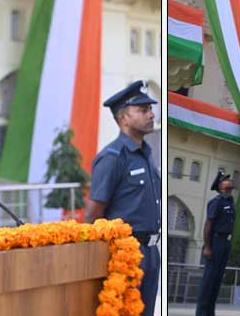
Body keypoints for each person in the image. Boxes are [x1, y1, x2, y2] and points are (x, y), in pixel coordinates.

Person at [85, 80, 161, 316]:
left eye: (150, 109)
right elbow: (93, 214)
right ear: (124, 118)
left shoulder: (146, 155)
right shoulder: (113, 157)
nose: (151, 114)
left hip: (150, 252)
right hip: (124, 253)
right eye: (143, 110)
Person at [195, 171, 236, 316]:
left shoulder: (229, 202)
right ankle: (201, 313)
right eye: (226, 179)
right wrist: (207, 247)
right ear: (220, 185)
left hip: (225, 242)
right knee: (209, 280)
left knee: (217, 280)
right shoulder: (217, 202)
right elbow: (208, 225)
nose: (230, 180)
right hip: (215, 242)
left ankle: (210, 312)